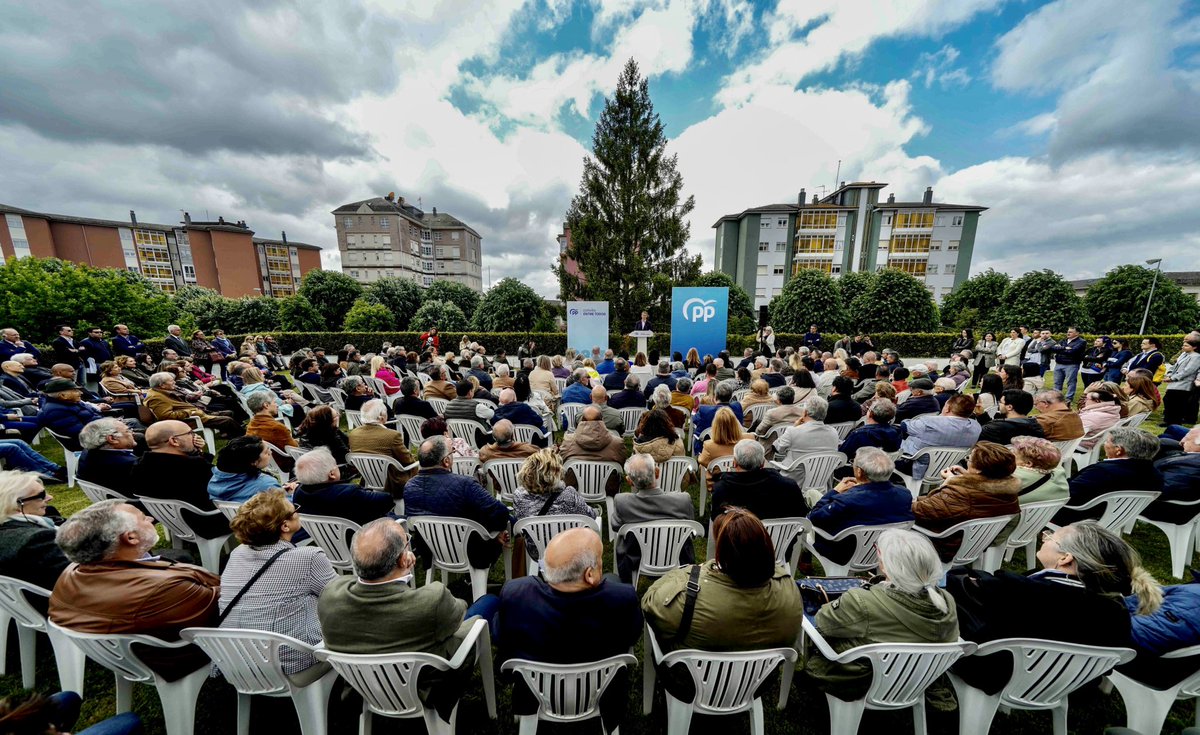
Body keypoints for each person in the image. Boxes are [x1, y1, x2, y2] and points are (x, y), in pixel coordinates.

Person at [318, 518, 498, 724]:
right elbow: (460, 610)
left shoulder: (330, 597)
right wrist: (404, 572)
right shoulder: (432, 599)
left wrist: (399, 573)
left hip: (364, 686)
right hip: (426, 686)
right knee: (488, 602)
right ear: (404, 559)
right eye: (406, 543)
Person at [945, 521, 1155, 693]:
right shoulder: (1118, 612)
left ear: (1065, 558)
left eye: (1050, 536)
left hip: (992, 673)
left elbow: (959, 588)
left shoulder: (1019, 592)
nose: (1044, 538)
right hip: (1065, 685)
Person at [50, 500, 219, 681]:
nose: (151, 518)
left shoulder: (71, 573)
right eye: (143, 518)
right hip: (179, 656)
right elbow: (229, 603)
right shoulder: (164, 589)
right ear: (131, 538)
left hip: (126, 656)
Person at [497, 527, 642, 732]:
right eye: (600, 559)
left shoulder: (515, 595)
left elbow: (500, 636)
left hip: (533, 694)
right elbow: (633, 634)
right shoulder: (622, 598)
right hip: (603, 693)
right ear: (589, 575)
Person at [804, 529, 958, 700]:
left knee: (809, 614)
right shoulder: (947, 601)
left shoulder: (861, 602)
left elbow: (822, 622)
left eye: (878, 550)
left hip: (863, 680)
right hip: (918, 679)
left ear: (886, 564)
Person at [642, 509, 803, 657]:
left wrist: (686, 574)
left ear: (724, 555)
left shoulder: (688, 599)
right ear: (767, 547)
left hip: (693, 681)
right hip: (761, 679)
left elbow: (650, 604)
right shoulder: (789, 591)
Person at [220, 490, 335, 681]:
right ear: (285, 525)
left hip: (236, 659)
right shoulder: (309, 557)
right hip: (291, 663)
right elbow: (340, 601)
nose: (298, 511)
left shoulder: (237, 553)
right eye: (295, 509)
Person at [402, 436, 511, 571]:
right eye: (452, 452)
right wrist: (496, 531)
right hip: (471, 552)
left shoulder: (409, 487)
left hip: (431, 550)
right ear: (446, 461)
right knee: (505, 520)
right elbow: (501, 512)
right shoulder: (465, 484)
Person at [912, 441, 1019, 561]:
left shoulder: (959, 495)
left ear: (979, 470)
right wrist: (966, 477)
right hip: (975, 544)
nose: (967, 461)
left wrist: (948, 483)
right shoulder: (1009, 494)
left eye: (969, 459)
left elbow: (917, 511)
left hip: (942, 545)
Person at [807, 448, 915, 565]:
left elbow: (814, 517)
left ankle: (804, 559)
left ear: (859, 471)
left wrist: (835, 491)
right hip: (886, 550)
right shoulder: (904, 494)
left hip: (843, 553)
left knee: (812, 494)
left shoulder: (847, 501)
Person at [609, 454, 695, 583]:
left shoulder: (622, 502)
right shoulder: (683, 500)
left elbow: (616, 526)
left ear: (629, 481)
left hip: (636, 558)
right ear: (657, 472)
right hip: (677, 557)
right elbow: (691, 529)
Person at [1053, 427, 1163, 524]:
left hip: (1078, 517)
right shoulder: (1155, 474)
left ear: (1118, 450)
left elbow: (1067, 494)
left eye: (1107, 441)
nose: (1104, 444)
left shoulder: (1102, 472)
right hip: (1116, 518)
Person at [510, 448, 596, 560]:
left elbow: (519, 522)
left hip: (537, 551)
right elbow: (591, 517)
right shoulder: (569, 494)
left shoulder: (519, 495)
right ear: (556, 472)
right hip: (569, 550)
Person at [0, 472, 69, 601]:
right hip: (61, 605)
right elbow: (80, 577)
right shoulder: (37, 540)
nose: (50, 497)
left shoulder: (7, 531)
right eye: (41, 496)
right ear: (16, 504)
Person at [292, 448, 394, 526]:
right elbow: (387, 500)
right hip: (363, 535)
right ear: (332, 474)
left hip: (329, 540)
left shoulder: (298, 493)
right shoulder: (349, 493)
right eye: (337, 466)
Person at [710, 439, 807, 520]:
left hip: (737, 541)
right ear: (762, 463)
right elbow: (801, 514)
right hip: (780, 541)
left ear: (734, 463)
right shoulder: (789, 486)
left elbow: (716, 518)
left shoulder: (721, 488)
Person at [897, 394, 982, 482]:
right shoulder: (976, 427)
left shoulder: (929, 422)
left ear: (947, 408)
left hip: (915, 466)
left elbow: (904, 425)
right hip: (950, 468)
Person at [347, 399, 416, 497]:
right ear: (382, 416)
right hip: (393, 482)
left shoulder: (354, 433)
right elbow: (408, 460)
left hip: (368, 478)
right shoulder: (392, 435)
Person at [143, 372, 242, 438]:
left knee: (228, 413)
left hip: (197, 413)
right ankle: (244, 438)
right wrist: (190, 412)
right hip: (191, 420)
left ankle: (228, 435)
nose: (174, 382)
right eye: (171, 381)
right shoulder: (156, 397)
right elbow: (165, 416)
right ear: (162, 385)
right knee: (227, 420)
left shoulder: (162, 391)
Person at [208, 435, 290, 503]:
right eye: (266, 452)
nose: (270, 453)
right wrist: (291, 493)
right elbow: (288, 508)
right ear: (253, 461)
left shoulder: (216, 480)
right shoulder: (266, 484)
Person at [1144, 426, 1200, 522]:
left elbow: (1164, 490)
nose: (1181, 442)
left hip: (1167, 509)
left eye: (1187, 439)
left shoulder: (1191, 465)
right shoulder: (1192, 459)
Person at [773, 395, 839, 465]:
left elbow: (777, 449)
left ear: (805, 412)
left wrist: (795, 427)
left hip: (795, 474)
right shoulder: (833, 432)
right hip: (823, 475)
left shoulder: (793, 431)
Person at [77, 418, 138, 490]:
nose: (133, 433)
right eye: (128, 431)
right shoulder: (129, 464)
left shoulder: (86, 454)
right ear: (112, 439)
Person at [561, 405, 628, 469]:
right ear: (602, 420)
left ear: (581, 420)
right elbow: (622, 462)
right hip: (608, 480)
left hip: (574, 480)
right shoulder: (617, 443)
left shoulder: (568, 441)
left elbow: (562, 461)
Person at [1010, 436, 1070, 503]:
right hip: (1048, 513)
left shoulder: (1012, 478)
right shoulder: (1059, 475)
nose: (1009, 455)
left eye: (1013, 454)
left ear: (1028, 463)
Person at [697, 407, 748, 485]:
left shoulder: (709, 445)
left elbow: (702, 461)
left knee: (702, 466)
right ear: (735, 423)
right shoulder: (749, 439)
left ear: (715, 426)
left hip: (719, 483)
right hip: (744, 481)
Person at [977, 389, 1045, 445]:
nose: (999, 404)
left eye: (1000, 402)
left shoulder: (995, 428)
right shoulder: (1036, 427)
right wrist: (982, 415)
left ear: (1009, 407)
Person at [1162, 337, 1200, 426]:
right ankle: (1168, 420)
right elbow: (1174, 366)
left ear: (1194, 347)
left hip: (1184, 383)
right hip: (1175, 382)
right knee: (1168, 400)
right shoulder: (1183, 354)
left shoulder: (1196, 357)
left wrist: (1173, 378)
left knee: (1178, 403)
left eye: (1186, 346)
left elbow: (1188, 370)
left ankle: (1175, 422)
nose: (1183, 347)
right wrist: (1169, 374)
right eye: (1183, 345)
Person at [1050, 326, 1087, 404]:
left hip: (1071, 364)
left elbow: (1073, 352)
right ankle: (1056, 397)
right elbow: (1053, 348)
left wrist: (1061, 349)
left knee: (1071, 382)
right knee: (1057, 382)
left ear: (1077, 333)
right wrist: (1065, 348)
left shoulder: (1081, 342)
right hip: (1059, 363)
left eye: (1071, 332)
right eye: (1068, 331)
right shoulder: (1064, 340)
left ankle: (1068, 398)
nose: (1068, 333)